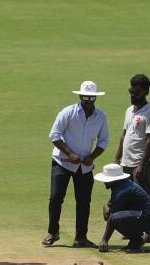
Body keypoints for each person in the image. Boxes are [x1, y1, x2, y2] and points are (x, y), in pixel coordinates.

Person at [43, 81, 109, 248]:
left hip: (85, 166)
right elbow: (54, 135)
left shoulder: (101, 117)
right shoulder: (68, 112)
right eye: (86, 97)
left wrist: (92, 156)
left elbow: (103, 141)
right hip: (62, 162)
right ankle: (53, 232)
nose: (88, 100)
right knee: (56, 198)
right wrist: (70, 153)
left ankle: (81, 237)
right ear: (80, 96)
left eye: (92, 97)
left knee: (84, 201)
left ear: (95, 98)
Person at [114, 73, 150, 242]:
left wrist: (142, 164)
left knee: (144, 196)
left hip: (140, 163)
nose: (133, 95)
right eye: (131, 91)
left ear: (146, 92)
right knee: (128, 196)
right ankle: (132, 229)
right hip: (126, 162)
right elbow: (124, 135)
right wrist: (117, 158)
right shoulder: (129, 111)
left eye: (137, 92)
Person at [94, 164, 150, 253]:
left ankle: (136, 240)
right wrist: (106, 207)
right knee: (114, 217)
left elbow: (111, 217)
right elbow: (110, 208)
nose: (104, 182)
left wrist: (105, 240)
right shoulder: (121, 186)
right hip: (143, 216)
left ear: (115, 180)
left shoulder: (123, 190)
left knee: (114, 218)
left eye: (106, 180)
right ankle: (136, 240)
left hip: (146, 218)